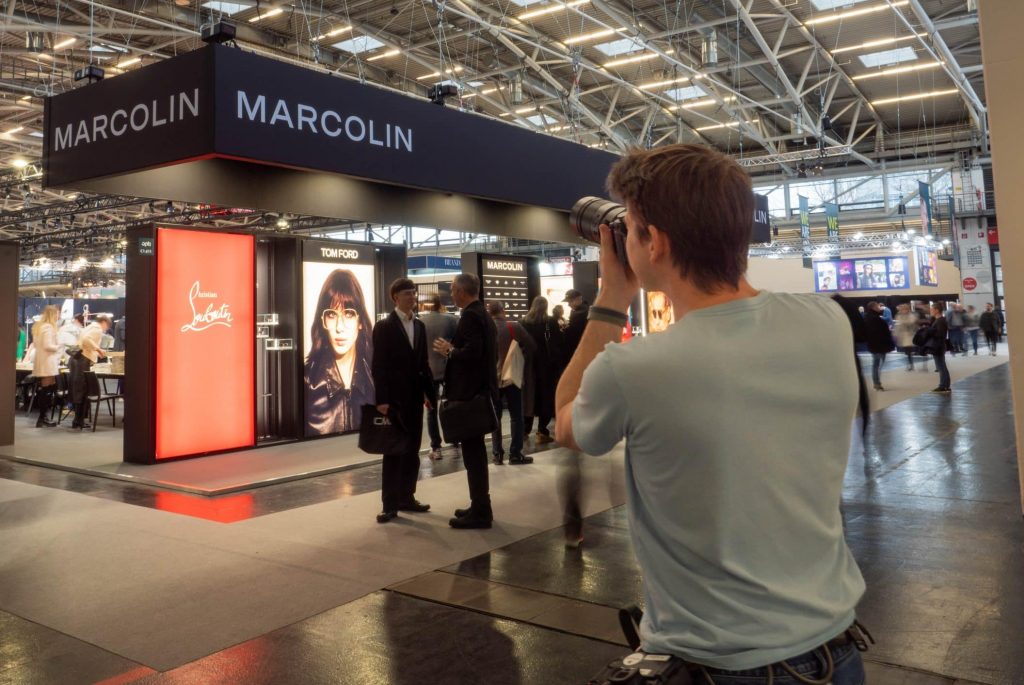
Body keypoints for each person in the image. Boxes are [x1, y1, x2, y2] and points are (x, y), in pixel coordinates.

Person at [554, 144, 867, 681]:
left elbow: (566, 421)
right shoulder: (826, 322)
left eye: (631, 228)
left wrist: (612, 298)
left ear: (655, 242)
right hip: (835, 651)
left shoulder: (635, 369)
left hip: (720, 666)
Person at [433, 273, 498, 530]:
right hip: (479, 392)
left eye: (453, 289)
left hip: (470, 395)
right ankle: (480, 504)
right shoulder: (483, 314)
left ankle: (481, 511)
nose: (451, 294)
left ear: (461, 291)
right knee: (475, 455)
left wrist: (449, 350)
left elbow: (473, 353)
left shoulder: (471, 316)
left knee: (474, 456)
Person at [372, 279, 437, 524]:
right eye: (407, 294)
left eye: (413, 293)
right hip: (394, 399)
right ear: (395, 297)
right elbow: (379, 365)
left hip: (415, 397)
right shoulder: (384, 327)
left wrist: (429, 394)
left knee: (412, 450)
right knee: (393, 451)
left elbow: (423, 363)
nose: (412, 297)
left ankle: (407, 497)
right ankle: (389, 505)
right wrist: (382, 399)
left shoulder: (419, 326)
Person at [303, 269, 375, 437]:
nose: (339, 327)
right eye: (331, 315)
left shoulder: (376, 376)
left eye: (349, 314)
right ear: (323, 321)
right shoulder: (306, 380)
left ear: (360, 321)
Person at [488, 301, 537, 465]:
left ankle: (497, 454)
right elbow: (531, 345)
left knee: (496, 417)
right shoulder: (513, 327)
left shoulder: (487, 329)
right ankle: (515, 453)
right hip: (512, 377)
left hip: (493, 380)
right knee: (516, 416)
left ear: (490, 313)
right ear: (503, 310)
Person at [419, 293, 457, 459]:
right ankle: (455, 441)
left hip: (429, 372)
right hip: (449, 369)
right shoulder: (452, 320)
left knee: (431, 410)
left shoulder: (419, 323)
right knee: (452, 407)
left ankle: (436, 447)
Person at [522, 296, 563, 444]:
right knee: (545, 396)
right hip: (545, 365)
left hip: (528, 365)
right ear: (545, 307)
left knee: (529, 396)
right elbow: (557, 343)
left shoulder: (523, 322)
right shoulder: (550, 322)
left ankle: (525, 430)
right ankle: (542, 431)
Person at [69, 315, 111, 429]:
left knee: (79, 390)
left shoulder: (89, 327)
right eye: (107, 326)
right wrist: (98, 349)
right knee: (82, 390)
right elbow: (87, 340)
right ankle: (79, 421)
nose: (106, 329)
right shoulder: (97, 329)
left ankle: (78, 420)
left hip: (77, 359)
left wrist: (96, 351)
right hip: (83, 360)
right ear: (104, 322)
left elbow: (84, 341)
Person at [31, 306, 61, 428]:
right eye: (57, 314)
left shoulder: (39, 327)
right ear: (52, 314)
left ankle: (43, 417)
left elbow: (36, 344)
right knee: (46, 389)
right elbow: (47, 345)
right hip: (47, 363)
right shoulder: (48, 327)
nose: (58, 316)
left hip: (41, 361)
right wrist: (59, 346)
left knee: (47, 388)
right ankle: (42, 418)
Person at [864, 302, 894, 391]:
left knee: (876, 364)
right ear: (873, 308)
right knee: (878, 364)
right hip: (879, 345)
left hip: (873, 344)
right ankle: (877, 383)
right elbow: (882, 333)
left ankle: (876, 382)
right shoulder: (876, 319)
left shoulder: (868, 318)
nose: (879, 308)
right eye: (878, 306)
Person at [925, 304, 951, 393]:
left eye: (932, 309)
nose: (930, 311)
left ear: (937, 310)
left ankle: (943, 385)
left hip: (938, 346)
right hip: (939, 345)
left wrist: (930, 332)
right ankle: (945, 385)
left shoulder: (940, 321)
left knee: (941, 366)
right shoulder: (939, 320)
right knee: (941, 366)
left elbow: (940, 334)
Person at [563, 289, 589, 357]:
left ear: (578, 299)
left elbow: (573, 333)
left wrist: (564, 329)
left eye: (570, 301)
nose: (568, 304)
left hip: (579, 349)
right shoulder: (582, 310)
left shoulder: (579, 313)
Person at [893, 304, 919, 371]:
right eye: (902, 309)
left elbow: (911, 322)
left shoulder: (911, 315)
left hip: (910, 336)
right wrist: (895, 334)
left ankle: (910, 365)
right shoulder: (899, 316)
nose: (903, 311)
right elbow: (898, 326)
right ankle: (910, 364)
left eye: (904, 309)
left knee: (909, 351)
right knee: (907, 352)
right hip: (903, 337)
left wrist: (903, 322)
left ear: (907, 309)